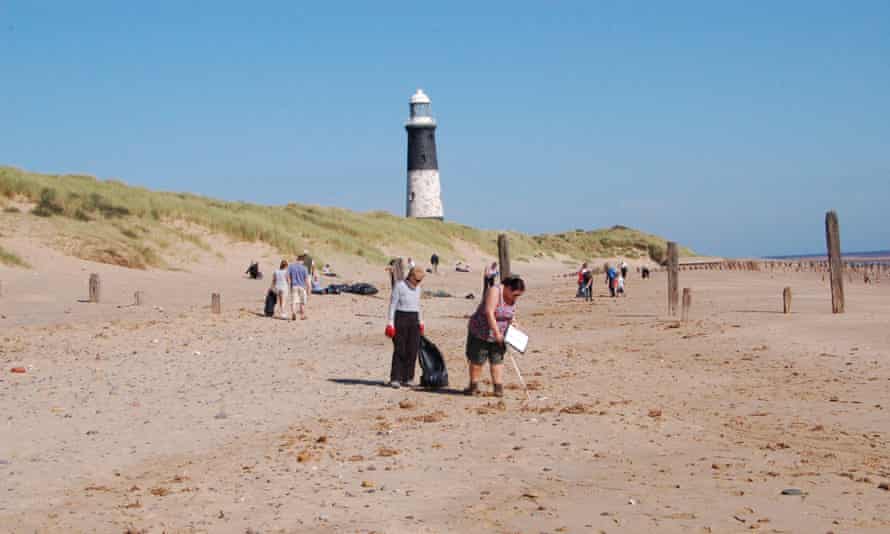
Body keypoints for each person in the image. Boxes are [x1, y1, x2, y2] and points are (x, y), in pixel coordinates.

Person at [464, 275, 526, 397]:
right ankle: (473, 386)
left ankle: (498, 388)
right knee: (478, 358)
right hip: (481, 331)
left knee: (497, 359)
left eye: (519, 295)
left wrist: (513, 323)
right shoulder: (495, 290)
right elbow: (489, 312)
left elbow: (511, 312)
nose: (516, 298)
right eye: (515, 295)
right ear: (507, 288)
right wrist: (496, 332)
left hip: (501, 333)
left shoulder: (512, 297)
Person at [385, 267, 426, 388]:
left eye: (420, 281)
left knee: (412, 350)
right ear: (411, 276)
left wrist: (421, 321)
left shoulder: (418, 288)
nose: (418, 283)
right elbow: (392, 305)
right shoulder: (399, 286)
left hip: (414, 319)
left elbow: (418, 305)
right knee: (400, 349)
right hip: (400, 317)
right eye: (417, 280)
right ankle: (395, 378)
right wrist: (390, 323)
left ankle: (408, 378)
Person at [287, 255, 311, 320]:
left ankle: (293, 313)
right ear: (302, 261)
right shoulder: (304, 268)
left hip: (294, 286)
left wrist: (289, 285)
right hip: (302, 286)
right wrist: (308, 289)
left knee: (294, 301)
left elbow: (288, 277)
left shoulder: (291, 266)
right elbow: (306, 280)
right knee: (302, 302)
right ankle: (302, 315)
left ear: (297, 259)